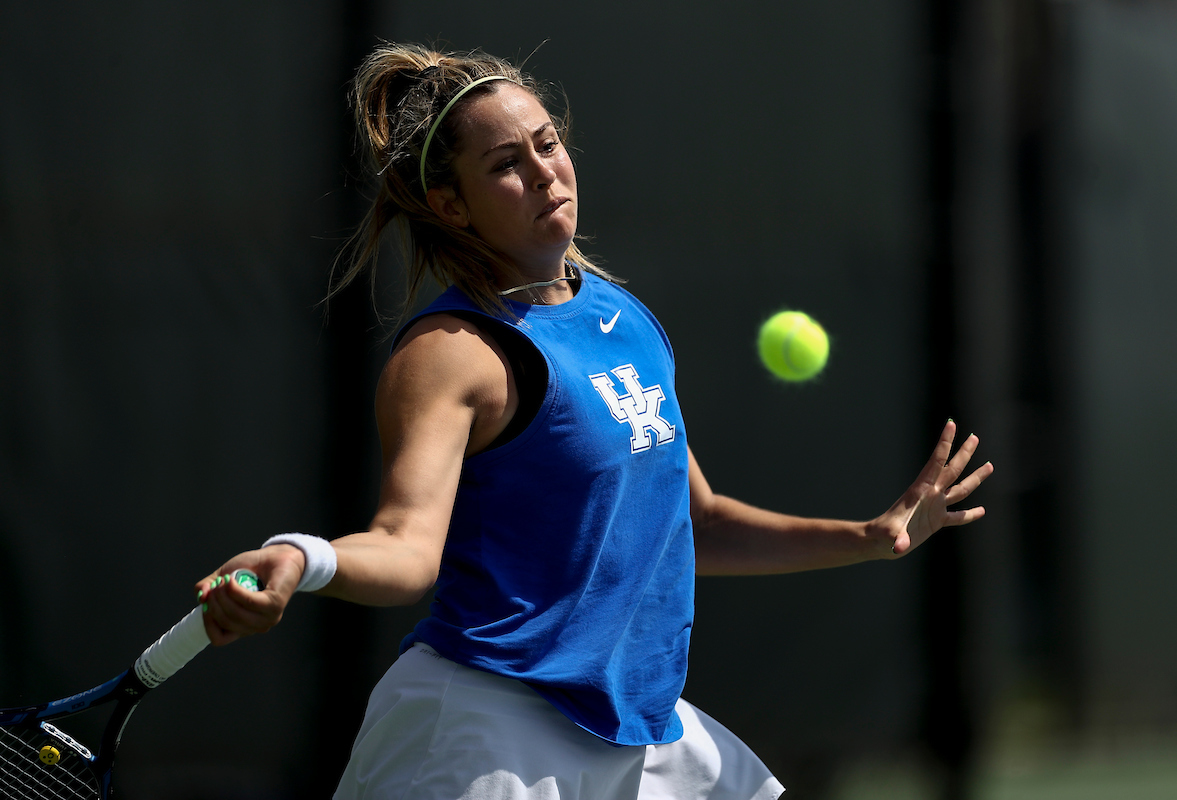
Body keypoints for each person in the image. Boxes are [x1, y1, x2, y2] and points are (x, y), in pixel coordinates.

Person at [195, 43, 994, 800]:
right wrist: (301, 558)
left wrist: (871, 533)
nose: (544, 173)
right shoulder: (452, 351)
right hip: (485, 731)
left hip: (634, 727)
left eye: (547, 145)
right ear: (452, 206)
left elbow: (696, 523)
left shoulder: (625, 319)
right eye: (506, 165)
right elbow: (407, 546)